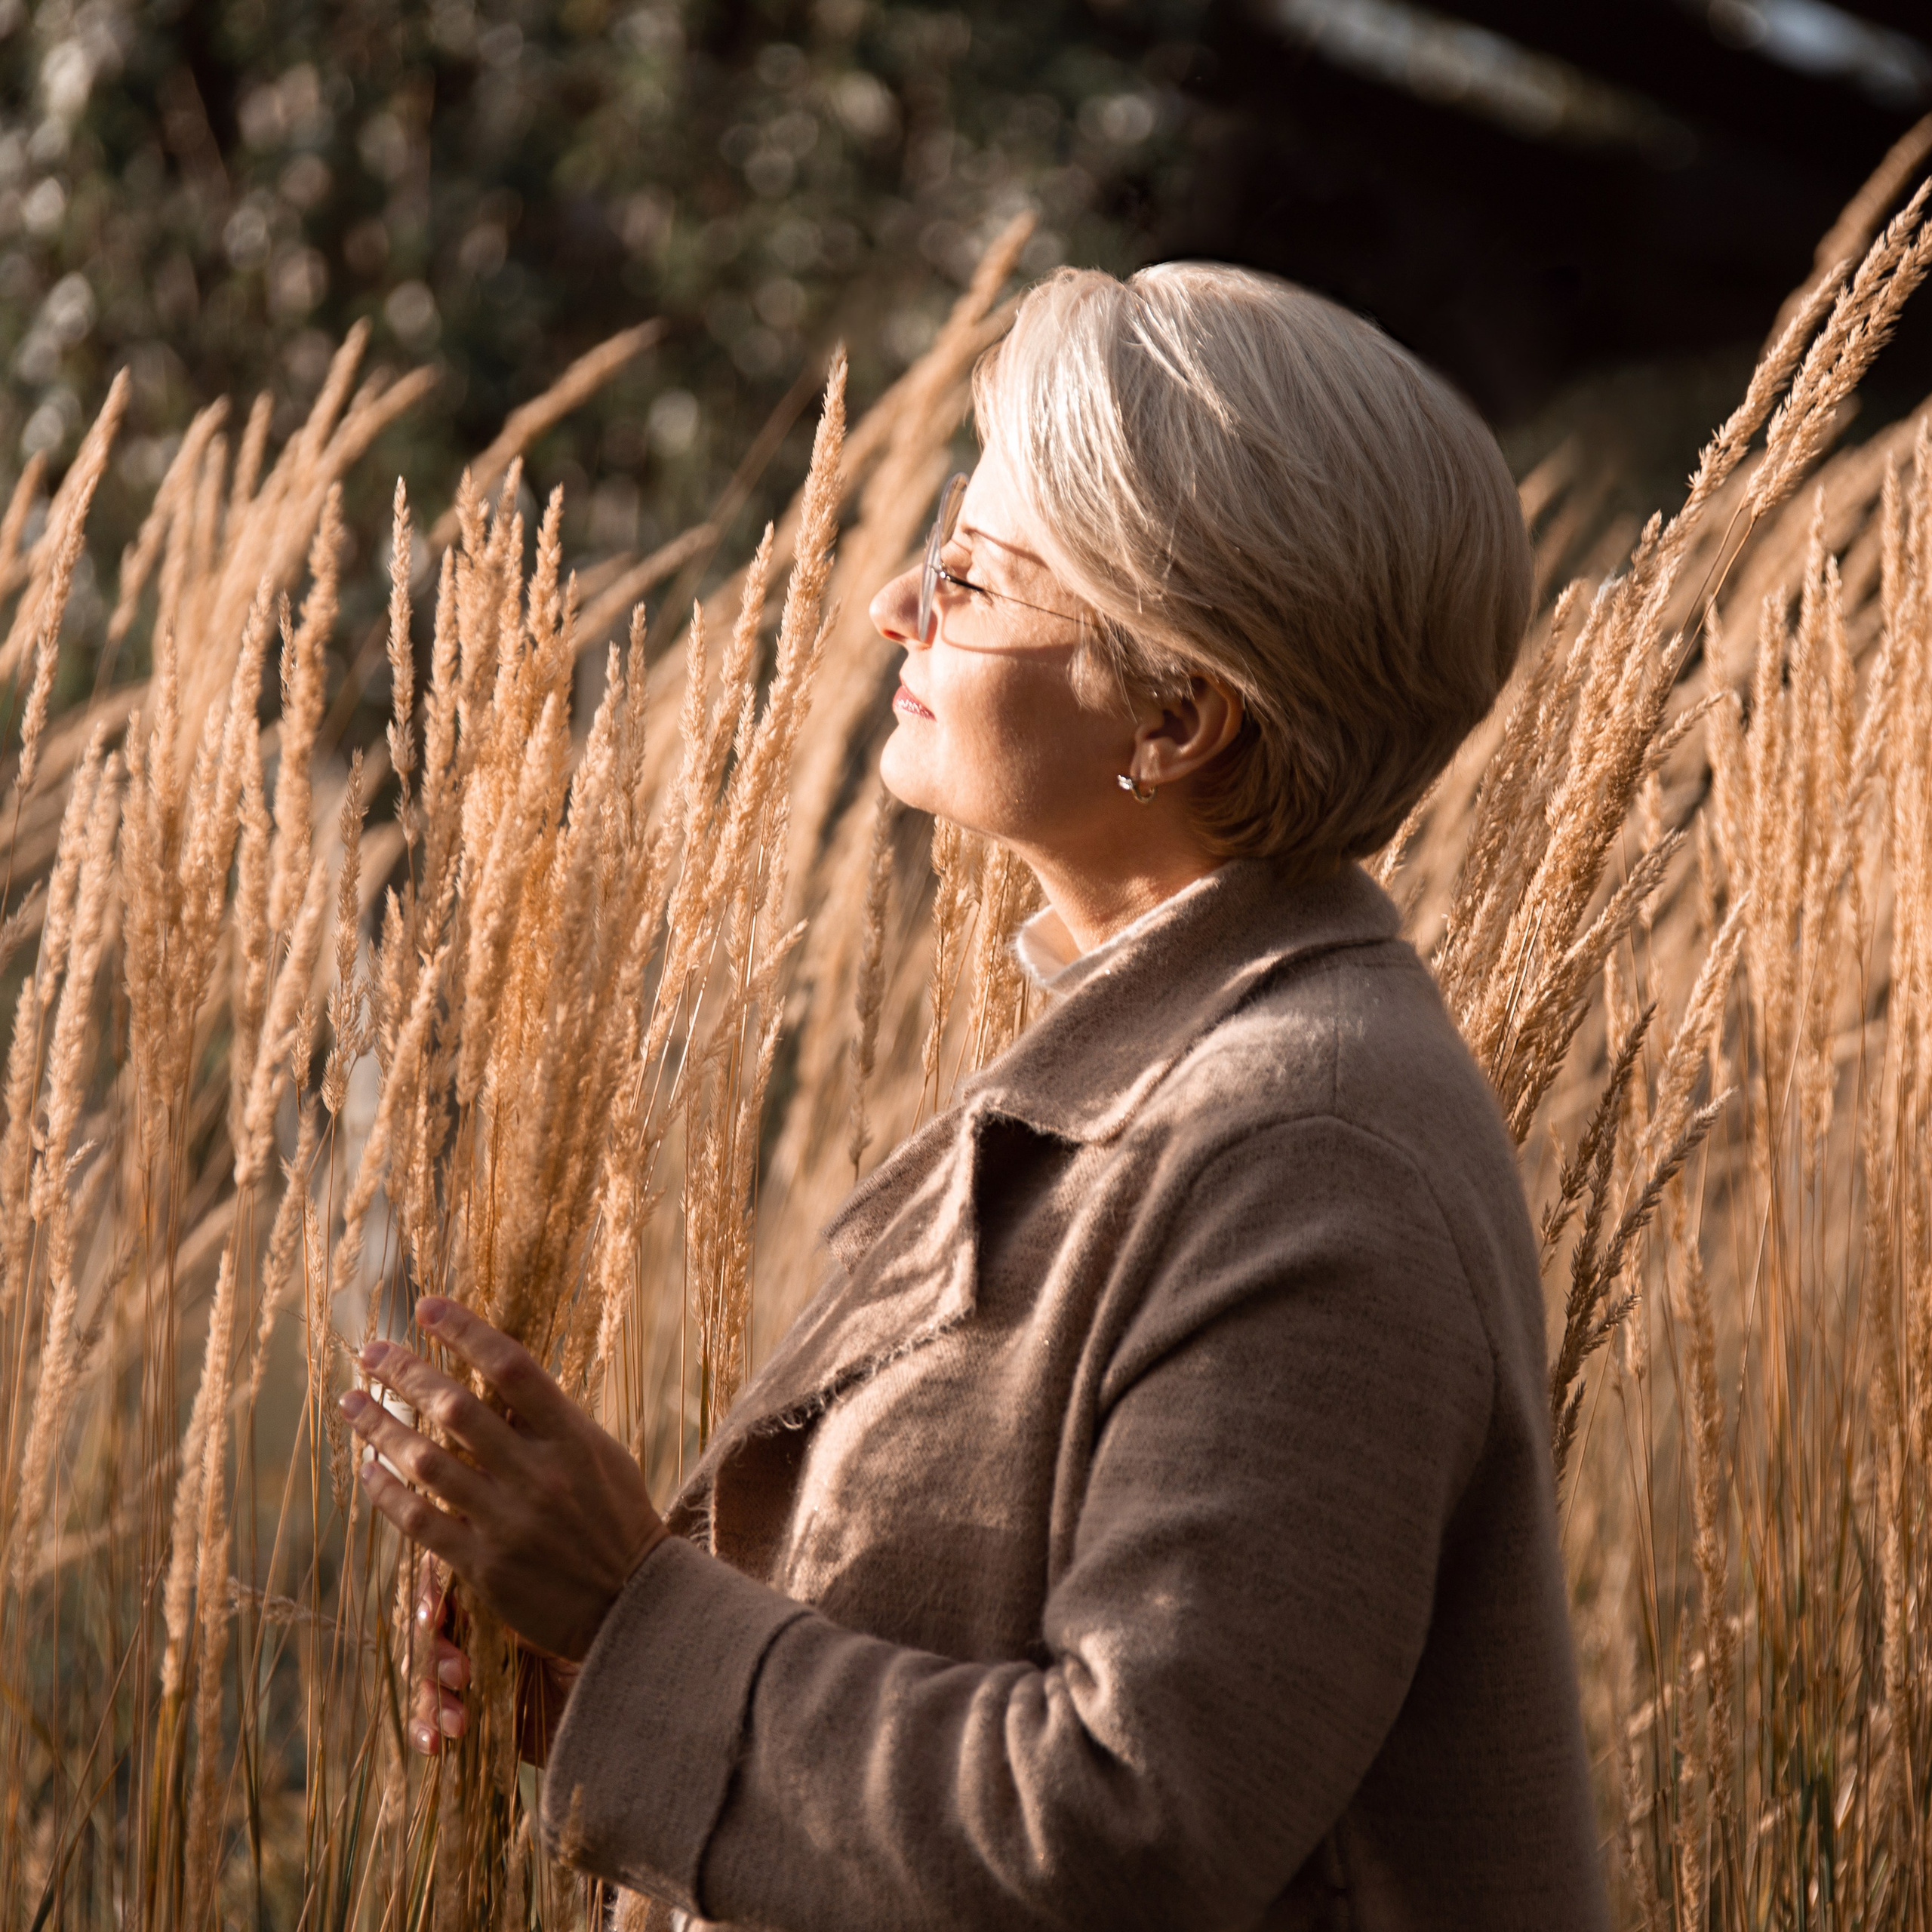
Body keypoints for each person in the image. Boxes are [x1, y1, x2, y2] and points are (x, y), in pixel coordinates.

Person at [344, 263, 1611, 1930]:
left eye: (972, 571)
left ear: (1176, 713)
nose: (894, 604)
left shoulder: (1306, 1153)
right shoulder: (1158, 1063)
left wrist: (640, 1612)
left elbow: (1121, 1829)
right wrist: (599, 1655)